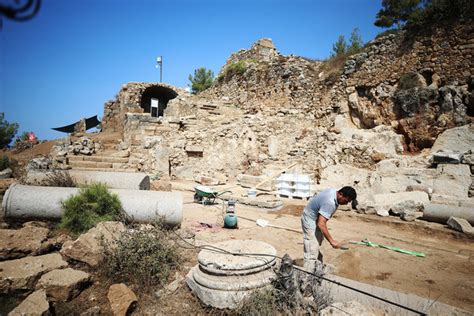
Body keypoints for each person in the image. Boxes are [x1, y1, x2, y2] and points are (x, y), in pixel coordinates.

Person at [301, 186, 357, 272]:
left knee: (319, 245)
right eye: (346, 201)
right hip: (310, 219)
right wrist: (332, 241)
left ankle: (318, 269)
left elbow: (320, 222)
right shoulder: (330, 202)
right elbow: (321, 223)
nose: (346, 204)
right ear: (341, 194)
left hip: (316, 218)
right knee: (311, 249)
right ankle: (307, 275)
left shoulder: (334, 191)